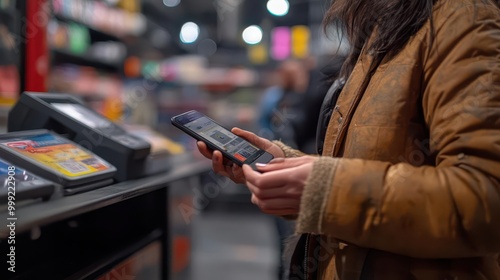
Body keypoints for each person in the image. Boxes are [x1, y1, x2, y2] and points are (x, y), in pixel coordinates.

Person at [197, 0, 500, 279]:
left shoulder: (460, 17)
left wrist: (324, 189)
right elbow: (376, 158)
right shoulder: (389, 26)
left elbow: (484, 197)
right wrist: (290, 166)